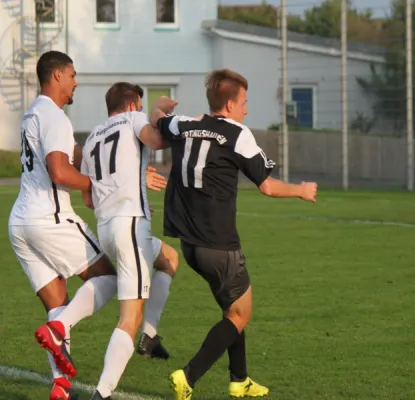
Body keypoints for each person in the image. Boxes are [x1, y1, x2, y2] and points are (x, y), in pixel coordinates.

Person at [150, 68, 318, 400]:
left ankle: (239, 380)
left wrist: (159, 104)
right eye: (243, 102)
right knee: (241, 313)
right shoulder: (238, 134)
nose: (246, 109)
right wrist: (301, 190)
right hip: (219, 244)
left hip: (189, 244)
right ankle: (189, 376)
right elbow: (267, 185)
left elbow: (158, 119)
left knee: (232, 308)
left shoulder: (183, 124)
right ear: (228, 104)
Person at [8, 50, 118, 400]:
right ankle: (58, 330)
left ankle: (59, 385)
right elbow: (60, 171)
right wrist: (99, 186)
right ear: (56, 75)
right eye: (72, 75)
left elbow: (75, 154)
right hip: (48, 218)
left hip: (20, 223)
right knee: (108, 277)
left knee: (58, 302)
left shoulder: (32, 114)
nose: (76, 82)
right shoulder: (55, 116)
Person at [75, 82, 178, 400]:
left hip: (106, 229)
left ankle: (150, 335)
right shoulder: (134, 120)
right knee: (128, 317)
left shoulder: (91, 137)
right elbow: (158, 139)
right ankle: (102, 394)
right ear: (133, 105)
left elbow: (89, 198)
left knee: (169, 258)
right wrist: (159, 112)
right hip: (130, 226)